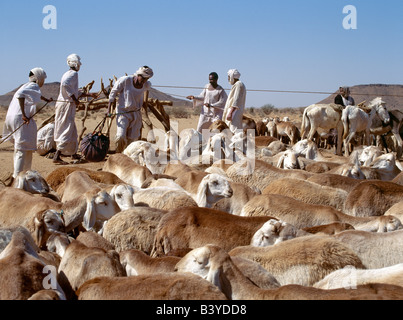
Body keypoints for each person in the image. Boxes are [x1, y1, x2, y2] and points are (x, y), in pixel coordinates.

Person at [3, 68, 52, 178]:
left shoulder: (26, 85)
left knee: (21, 148)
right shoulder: (33, 86)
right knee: (22, 149)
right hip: (20, 118)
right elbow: (21, 95)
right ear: (39, 78)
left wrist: (45, 99)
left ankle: (23, 175)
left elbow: (32, 95)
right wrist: (24, 114)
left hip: (12, 117)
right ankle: (18, 177)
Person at [53, 54, 96, 164]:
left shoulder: (70, 74)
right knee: (66, 129)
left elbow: (74, 91)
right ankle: (57, 156)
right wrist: (74, 99)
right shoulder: (72, 74)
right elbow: (66, 85)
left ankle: (73, 153)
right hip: (66, 105)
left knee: (72, 131)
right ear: (76, 64)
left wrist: (89, 94)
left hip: (67, 105)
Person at [106, 66, 154, 153]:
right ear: (138, 75)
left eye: (147, 79)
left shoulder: (146, 85)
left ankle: (129, 157)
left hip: (136, 113)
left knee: (133, 139)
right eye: (143, 78)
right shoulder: (125, 80)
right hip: (123, 112)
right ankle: (119, 154)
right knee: (120, 136)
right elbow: (113, 93)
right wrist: (108, 110)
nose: (144, 81)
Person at [222, 69, 247, 133]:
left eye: (228, 76)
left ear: (232, 77)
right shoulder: (237, 84)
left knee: (234, 130)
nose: (228, 78)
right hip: (234, 112)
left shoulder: (239, 84)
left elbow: (236, 99)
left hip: (234, 113)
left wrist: (230, 113)